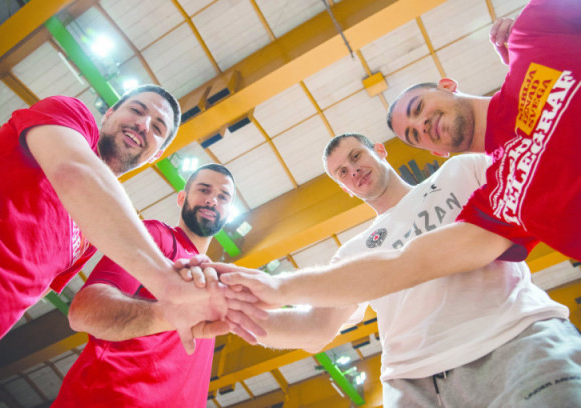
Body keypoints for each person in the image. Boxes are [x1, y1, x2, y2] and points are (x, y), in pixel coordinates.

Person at [202, 134, 581, 407]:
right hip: (414, 384)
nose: (353, 171)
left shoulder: (459, 171)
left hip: (514, 342)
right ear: (344, 188)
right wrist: (233, 313)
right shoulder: (352, 253)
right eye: (342, 172)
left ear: (380, 150)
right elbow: (316, 330)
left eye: (356, 156)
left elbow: (533, 187)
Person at [0, 85, 249, 362]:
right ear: (109, 114)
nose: (143, 125)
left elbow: (32, 288)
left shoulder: (91, 236)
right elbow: (74, 171)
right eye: (137, 110)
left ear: (156, 155)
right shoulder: (70, 113)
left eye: (157, 128)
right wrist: (166, 281)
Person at [51, 164, 266, 408]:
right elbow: (84, 310)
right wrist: (166, 314)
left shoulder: (213, 284)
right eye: (204, 190)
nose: (212, 200)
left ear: (228, 213)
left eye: (223, 197)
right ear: (182, 198)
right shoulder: (157, 236)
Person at [386, 0, 581, 260]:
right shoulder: (493, 206)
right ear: (438, 153)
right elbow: (414, 263)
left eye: (418, 107)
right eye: (414, 134)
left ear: (447, 85)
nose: (421, 124)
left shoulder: (530, 37)